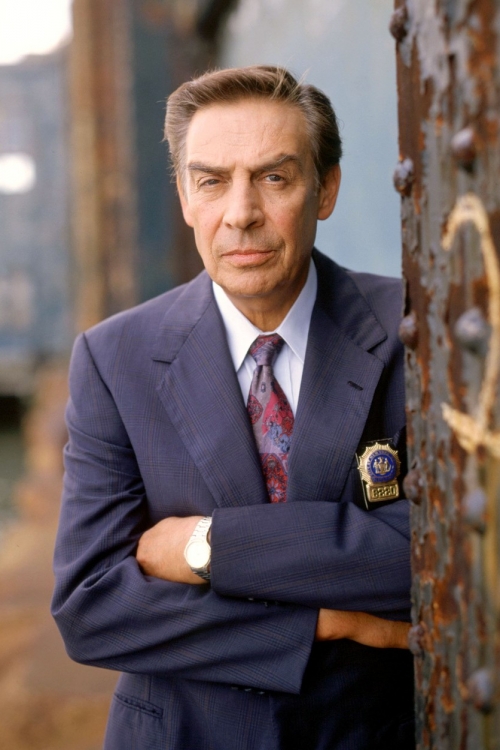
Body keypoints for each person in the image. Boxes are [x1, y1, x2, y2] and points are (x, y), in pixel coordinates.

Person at [52, 66, 415, 750]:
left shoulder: (412, 331)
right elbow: (93, 606)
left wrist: (206, 547)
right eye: (212, 181)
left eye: (274, 177)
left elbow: (426, 556)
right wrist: (329, 622)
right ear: (186, 198)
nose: (241, 212)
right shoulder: (114, 358)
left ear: (326, 189)